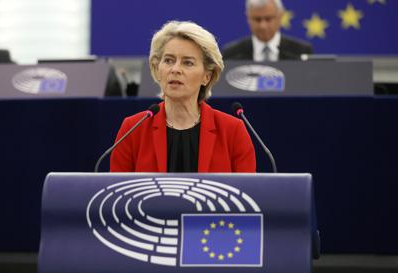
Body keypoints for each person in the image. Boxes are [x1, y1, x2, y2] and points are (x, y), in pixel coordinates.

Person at [110, 21, 256, 173]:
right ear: (158, 69)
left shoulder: (232, 132)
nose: (175, 69)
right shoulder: (133, 129)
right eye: (168, 61)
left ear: (207, 76)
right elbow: (119, 192)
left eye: (188, 63)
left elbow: (246, 193)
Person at [222, 0, 313, 61]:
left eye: (268, 19)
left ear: (280, 16)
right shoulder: (231, 54)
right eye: (257, 19)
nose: (263, 26)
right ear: (248, 18)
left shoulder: (300, 51)